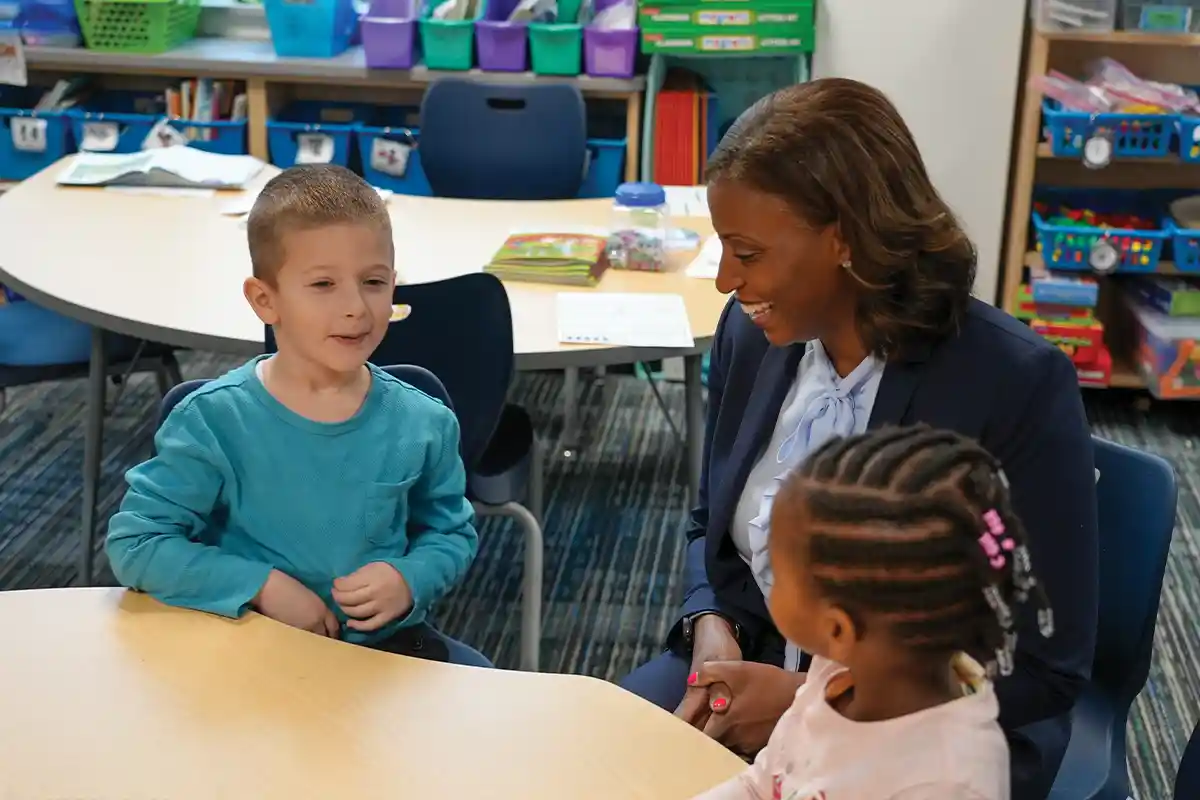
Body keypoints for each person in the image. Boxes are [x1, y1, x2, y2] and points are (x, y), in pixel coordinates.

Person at [619, 78, 1098, 800]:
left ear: (845, 238)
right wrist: (710, 621)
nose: (725, 280)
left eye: (746, 253)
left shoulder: (1014, 384)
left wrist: (811, 700)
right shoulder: (753, 336)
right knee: (601, 761)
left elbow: (1043, 665)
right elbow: (708, 521)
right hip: (756, 659)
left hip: (923, 731)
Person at [106, 164, 491, 668]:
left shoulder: (424, 422)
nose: (356, 307)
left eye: (373, 282)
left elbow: (450, 534)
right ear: (265, 300)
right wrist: (260, 585)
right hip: (252, 648)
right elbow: (138, 543)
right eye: (324, 284)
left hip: (384, 656)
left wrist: (409, 579)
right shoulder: (214, 420)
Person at [692, 425, 1055, 800]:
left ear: (838, 628)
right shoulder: (836, 671)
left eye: (779, 574)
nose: (766, 576)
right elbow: (762, 783)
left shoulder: (946, 783)